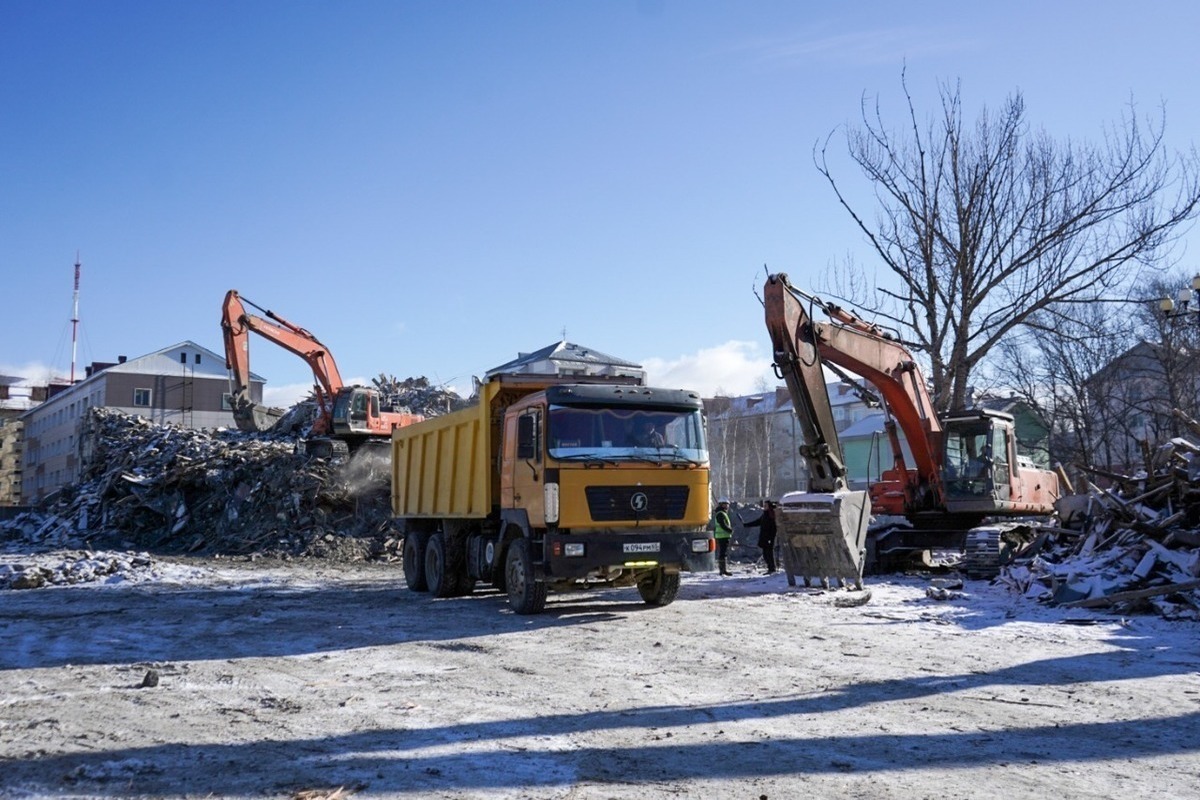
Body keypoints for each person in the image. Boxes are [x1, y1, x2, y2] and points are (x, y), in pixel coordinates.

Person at [742, 499, 778, 573]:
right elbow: (758, 522)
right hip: (764, 537)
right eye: (764, 505)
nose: (764, 507)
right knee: (765, 554)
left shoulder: (771, 515)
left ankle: (772, 568)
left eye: (766, 505)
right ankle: (770, 568)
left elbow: (774, 528)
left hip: (769, 537)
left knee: (769, 554)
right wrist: (747, 524)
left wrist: (771, 538)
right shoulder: (765, 514)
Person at [713, 497, 734, 576]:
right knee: (722, 553)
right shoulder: (720, 514)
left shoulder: (722, 513)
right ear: (722, 504)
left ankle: (723, 569)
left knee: (723, 553)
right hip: (722, 536)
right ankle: (722, 570)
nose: (727, 506)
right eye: (726, 504)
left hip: (723, 536)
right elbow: (723, 524)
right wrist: (729, 530)